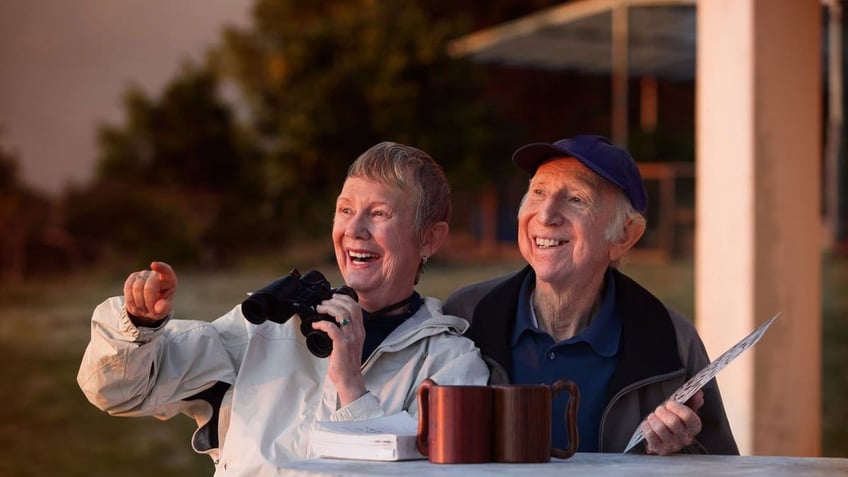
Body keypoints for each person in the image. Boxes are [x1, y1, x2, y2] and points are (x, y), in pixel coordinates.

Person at [77, 141, 489, 475]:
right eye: (345, 210)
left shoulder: (450, 364)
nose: (354, 230)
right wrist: (139, 326)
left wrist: (351, 387)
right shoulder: (264, 328)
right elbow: (121, 393)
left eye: (380, 213)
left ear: (430, 239)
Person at [444, 135, 738, 456]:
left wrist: (678, 455)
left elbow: (719, 465)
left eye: (576, 199)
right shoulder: (464, 317)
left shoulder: (673, 340)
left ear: (625, 235)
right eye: (538, 192)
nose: (545, 215)